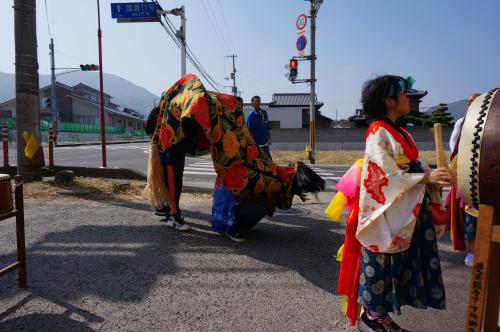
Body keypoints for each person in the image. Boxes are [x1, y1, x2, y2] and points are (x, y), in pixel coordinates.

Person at [335, 75, 453, 331]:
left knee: (399, 263)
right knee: (381, 264)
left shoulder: (399, 132)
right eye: (404, 93)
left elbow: (408, 168)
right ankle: (371, 319)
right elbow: (384, 176)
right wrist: (424, 176)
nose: (408, 98)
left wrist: (431, 178)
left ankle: (380, 316)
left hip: (402, 207)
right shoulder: (379, 131)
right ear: (389, 100)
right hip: (386, 210)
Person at [448, 92, 481, 267]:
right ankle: (471, 253)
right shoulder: (463, 121)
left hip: (488, 174)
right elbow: (454, 145)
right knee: (471, 218)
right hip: (470, 173)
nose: (470, 104)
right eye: (468, 101)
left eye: (473, 101)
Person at [145, 107, 170, 218]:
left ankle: (163, 205)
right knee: (165, 178)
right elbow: (150, 131)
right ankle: (165, 206)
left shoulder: (155, 111)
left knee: (159, 178)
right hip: (166, 149)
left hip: (158, 149)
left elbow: (149, 131)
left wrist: (154, 143)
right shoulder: (171, 111)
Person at [246, 96, 272, 160]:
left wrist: (270, 139)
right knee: (259, 163)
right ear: (252, 103)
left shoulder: (264, 113)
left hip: (265, 143)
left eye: (259, 101)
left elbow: (267, 127)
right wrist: (253, 145)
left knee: (269, 161)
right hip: (256, 145)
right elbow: (250, 132)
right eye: (256, 101)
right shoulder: (251, 115)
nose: (258, 102)